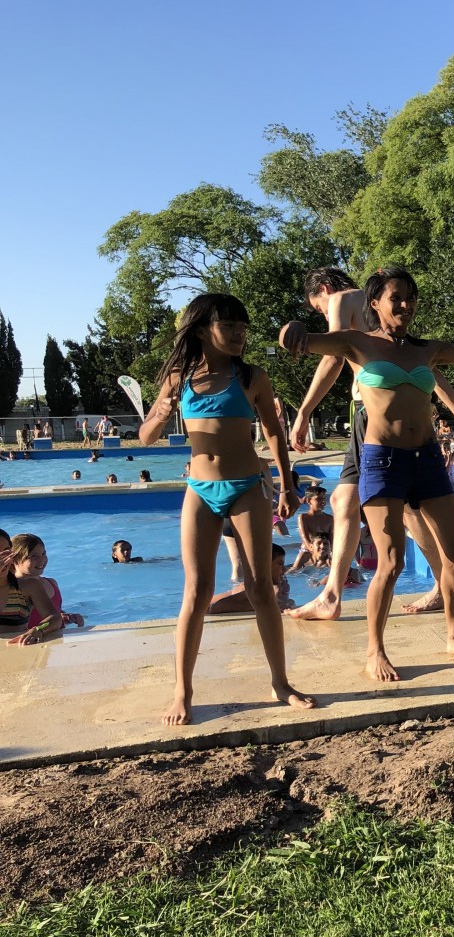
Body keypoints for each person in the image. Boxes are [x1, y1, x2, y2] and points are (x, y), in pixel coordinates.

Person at [278, 266, 454, 680]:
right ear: (375, 303)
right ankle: (375, 650)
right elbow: (305, 342)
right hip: (383, 460)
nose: (405, 304)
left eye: (410, 297)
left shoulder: (426, 350)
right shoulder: (356, 343)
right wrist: (291, 329)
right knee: (392, 562)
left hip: (427, 459)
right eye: (395, 297)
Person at [138, 292, 313, 724]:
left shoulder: (252, 376)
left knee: (261, 588)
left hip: (247, 486)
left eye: (242, 327)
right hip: (200, 489)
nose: (239, 334)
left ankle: (280, 682)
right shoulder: (179, 378)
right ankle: (182, 691)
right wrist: (160, 413)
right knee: (196, 592)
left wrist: (286, 485)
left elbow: (273, 432)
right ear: (202, 330)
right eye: (229, 326)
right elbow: (146, 437)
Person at [287, 266, 454, 622]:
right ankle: (342, 591)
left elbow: (333, 356)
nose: (322, 312)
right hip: (392, 413)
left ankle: (336, 595)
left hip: (371, 414)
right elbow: (431, 371)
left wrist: (304, 411)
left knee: (392, 506)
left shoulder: (341, 300)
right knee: (352, 500)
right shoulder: (387, 324)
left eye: (317, 307)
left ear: (323, 289)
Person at [4, 534, 85, 645]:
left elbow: (53, 614)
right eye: (34, 556)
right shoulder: (14, 589)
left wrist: (65, 617)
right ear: (14, 560)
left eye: (43, 554)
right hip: (32, 643)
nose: (42, 560)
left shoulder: (51, 583)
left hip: (54, 642)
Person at [211, 544, 293, 614]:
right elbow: (216, 607)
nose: (284, 569)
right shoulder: (253, 586)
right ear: (264, 566)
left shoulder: (278, 583)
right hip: (210, 605)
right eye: (280, 564)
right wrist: (262, 605)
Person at [289, 486, 335, 571]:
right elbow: (305, 538)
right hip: (307, 550)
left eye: (324, 499)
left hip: (324, 550)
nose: (323, 502)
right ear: (309, 501)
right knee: (294, 570)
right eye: (319, 499)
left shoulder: (330, 519)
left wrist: (332, 552)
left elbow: (331, 539)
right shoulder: (304, 517)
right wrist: (313, 551)